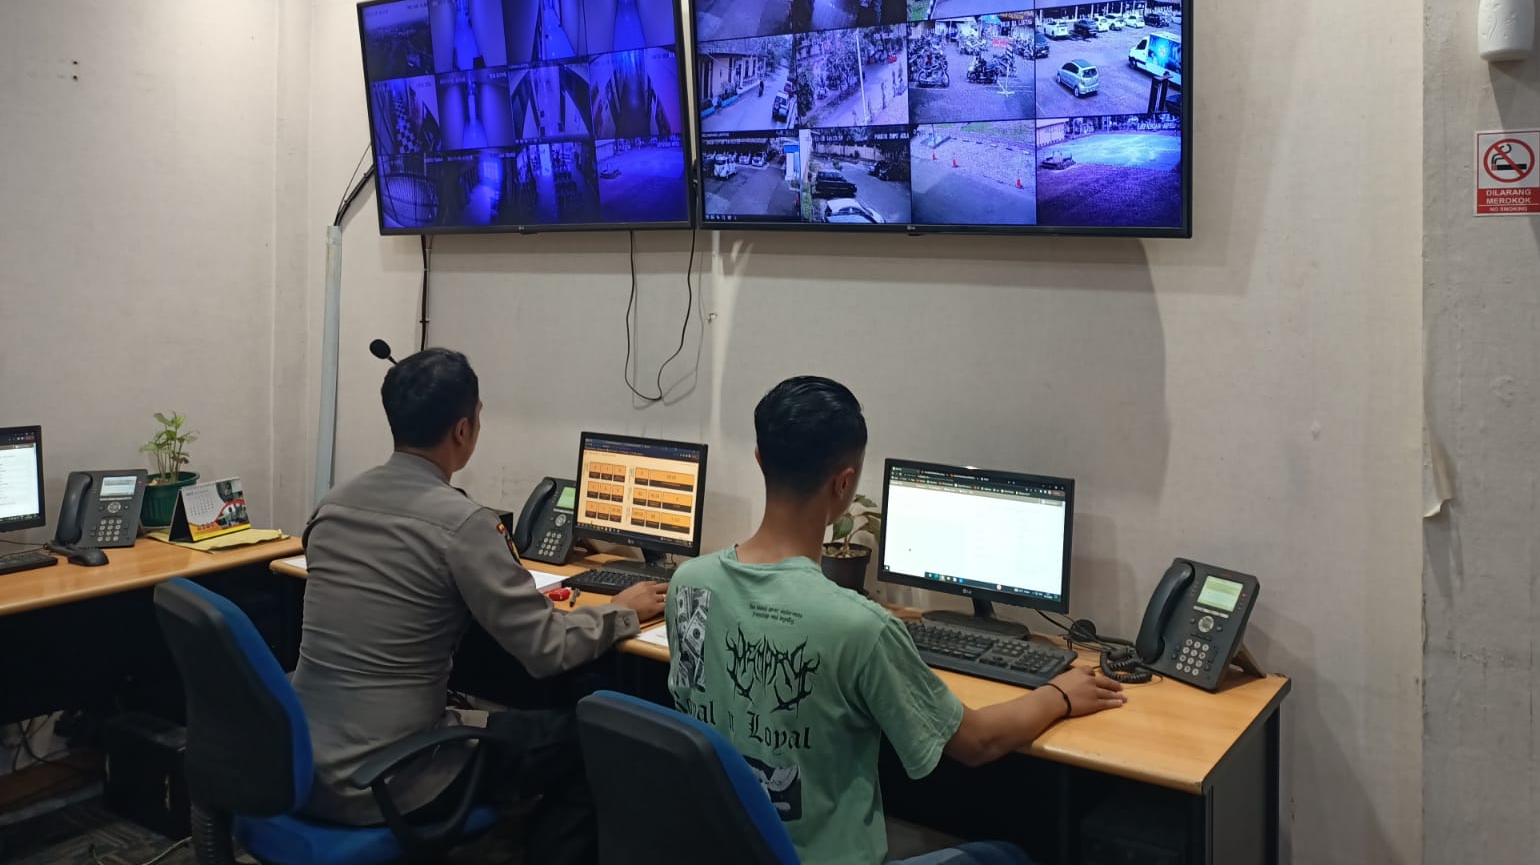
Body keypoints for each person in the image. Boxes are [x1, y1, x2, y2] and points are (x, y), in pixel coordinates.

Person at [665, 377, 1123, 865]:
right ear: (843, 483)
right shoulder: (858, 626)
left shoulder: (689, 586)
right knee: (1008, 855)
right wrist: (1059, 695)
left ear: (760, 459)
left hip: (722, 847)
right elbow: (978, 743)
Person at [293, 348, 666, 864]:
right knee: (598, 741)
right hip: (390, 777)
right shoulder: (464, 524)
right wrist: (622, 610)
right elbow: (546, 650)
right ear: (463, 430)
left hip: (304, 761)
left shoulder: (333, 505)